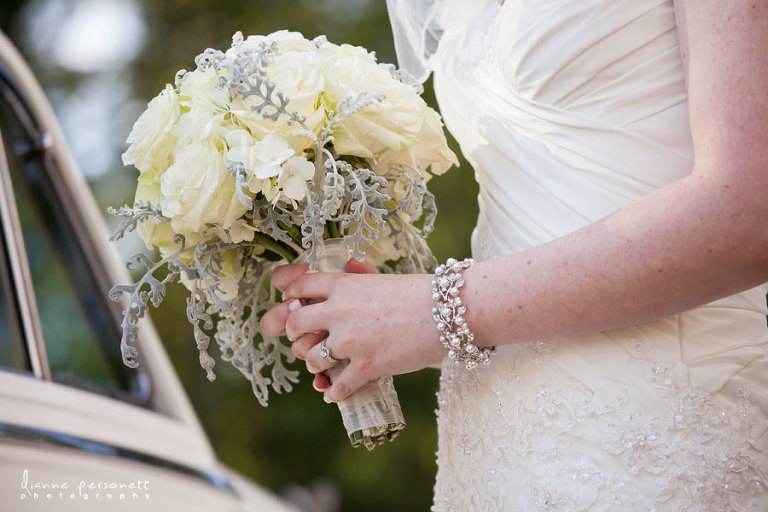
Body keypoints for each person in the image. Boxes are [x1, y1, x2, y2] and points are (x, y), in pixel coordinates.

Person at [262, 0, 768, 509]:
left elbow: (750, 209)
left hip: (658, 434)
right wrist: (394, 324)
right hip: (493, 450)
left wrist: (433, 310)